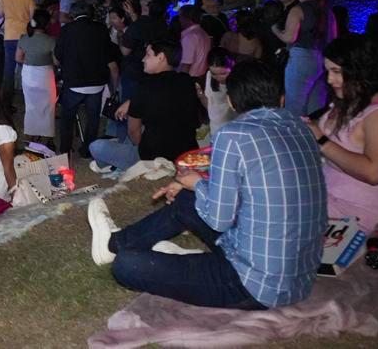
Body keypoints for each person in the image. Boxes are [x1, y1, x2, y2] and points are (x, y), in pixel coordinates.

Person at [87, 61, 328, 310]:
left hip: (251, 285)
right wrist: (194, 186)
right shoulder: (303, 130)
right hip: (300, 279)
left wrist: (197, 183)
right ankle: (114, 243)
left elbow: (219, 219)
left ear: (232, 102)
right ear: (281, 98)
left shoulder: (234, 135)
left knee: (128, 266)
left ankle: (121, 249)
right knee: (187, 201)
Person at [302, 35, 378, 232]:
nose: (329, 79)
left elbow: (374, 172)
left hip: (358, 214)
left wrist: (322, 140)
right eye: (327, 71)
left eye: (336, 72)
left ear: (359, 69)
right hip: (328, 198)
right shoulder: (351, 99)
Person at [90, 43, 197, 173]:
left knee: (96, 146)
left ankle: (110, 165)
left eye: (148, 55)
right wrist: (132, 102)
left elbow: (134, 132)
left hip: (153, 158)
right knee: (137, 128)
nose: (143, 59)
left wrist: (142, 148)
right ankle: (119, 154)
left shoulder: (145, 87)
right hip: (186, 152)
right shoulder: (187, 81)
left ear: (161, 57)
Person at [53, 1, 120, 158]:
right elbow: (109, 55)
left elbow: (57, 57)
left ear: (72, 14)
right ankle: (88, 149)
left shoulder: (67, 30)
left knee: (67, 117)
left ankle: (65, 149)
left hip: (74, 83)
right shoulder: (101, 29)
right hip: (97, 83)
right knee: (93, 117)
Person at [272, 0, 328, 116]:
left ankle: (295, 135)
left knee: (295, 104)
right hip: (322, 57)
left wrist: (275, 29)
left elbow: (290, 37)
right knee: (316, 104)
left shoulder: (298, 9)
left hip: (301, 58)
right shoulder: (326, 10)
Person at [16, 7, 57, 142]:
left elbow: (18, 58)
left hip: (28, 74)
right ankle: (46, 134)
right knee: (47, 105)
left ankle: (31, 132)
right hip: (45, 75)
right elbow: (56, 61)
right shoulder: (51, 40)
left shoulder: (24, 38)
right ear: (46, 24)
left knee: (31, 105)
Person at [0, 0, 36, 98]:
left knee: (9, 67)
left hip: (9, 35)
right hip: (25, 35)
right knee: (26, 65)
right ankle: (28, 94)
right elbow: (33, 17)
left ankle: (7, 99)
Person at [202, 47, 237, 135]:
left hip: (233, 128)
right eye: (214, 74)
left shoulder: (239, 81)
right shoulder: (209, 75)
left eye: (223, 73)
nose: (218, 78)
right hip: (215, 128)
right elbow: (210, 102)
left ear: (232, 64)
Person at [178, 4, 213, 82]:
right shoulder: (203, 33)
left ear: (187, 18)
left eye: (180, 16)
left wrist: (181, 82)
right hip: (201, 76)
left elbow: (186, 64)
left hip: (191, 78)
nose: (179, 20)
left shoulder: (190, 37)